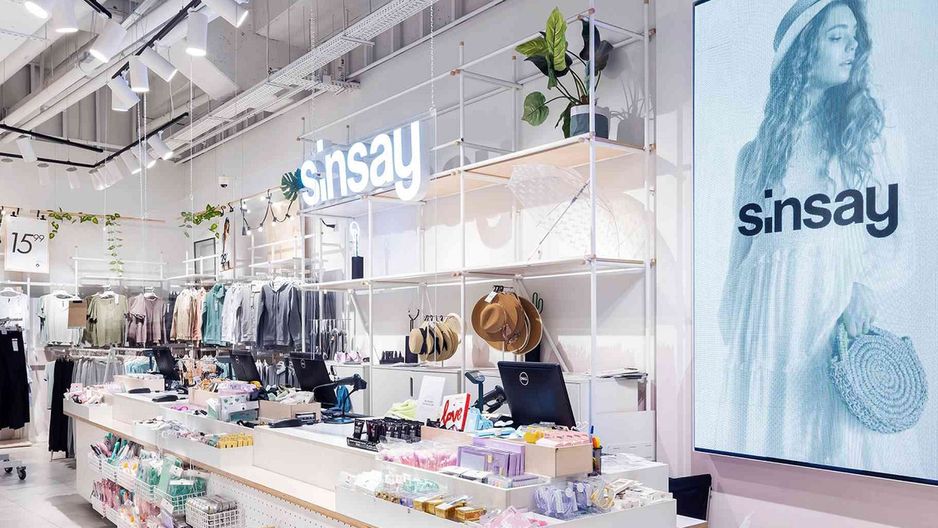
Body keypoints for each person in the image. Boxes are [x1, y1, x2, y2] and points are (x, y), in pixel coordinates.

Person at [717, 0, 908, 470]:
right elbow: (740, 253)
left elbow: (890, 231)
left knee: (831, 440)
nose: (851, 48)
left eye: (853, 37)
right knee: (770, 445)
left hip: (827, 311)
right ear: (804, 50)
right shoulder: (754, 156)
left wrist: (865, 286)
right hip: (768, 322)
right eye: (836, 37)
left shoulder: (862, 137)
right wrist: (738, 331)